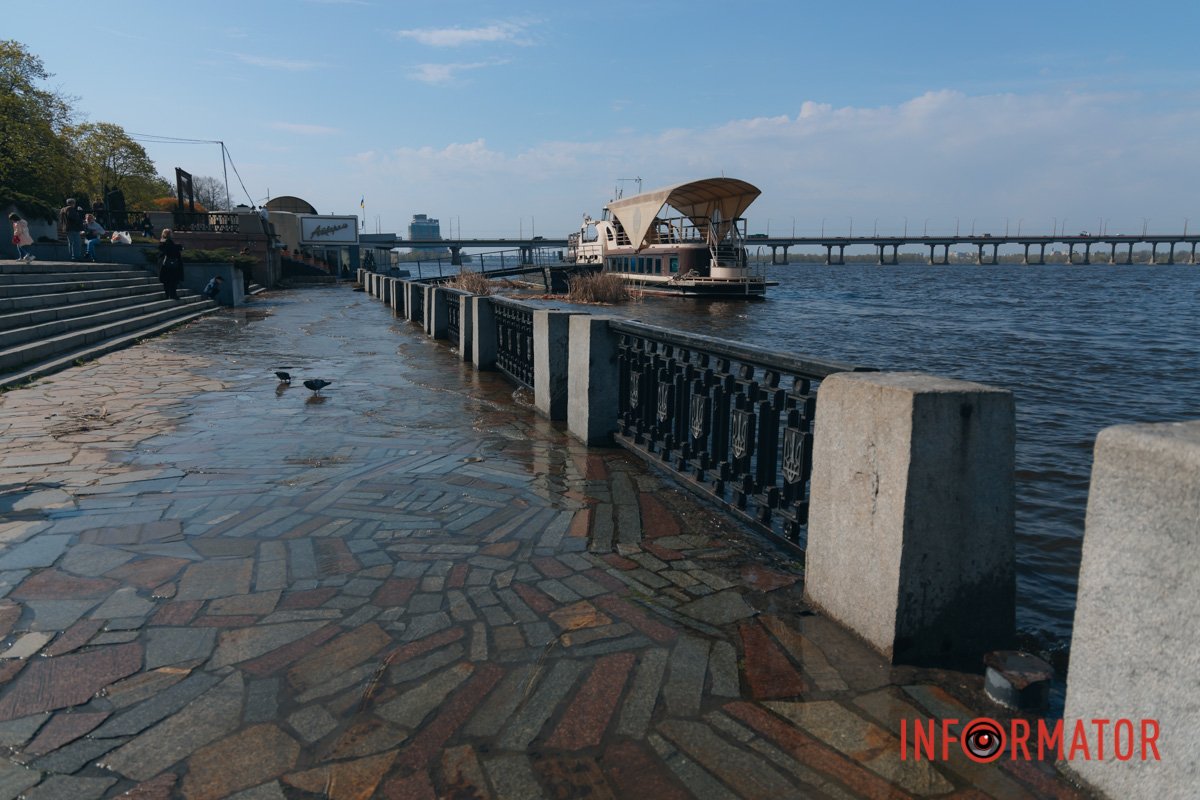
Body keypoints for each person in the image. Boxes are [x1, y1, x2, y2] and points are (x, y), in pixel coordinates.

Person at [157, 228, 184, 300]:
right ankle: (172, 295)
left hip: (167, 265)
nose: (171, 234)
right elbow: (170, 249)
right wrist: (178, 247)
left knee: (168, 281)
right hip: (169, 264)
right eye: (170, 233)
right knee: (172, 280)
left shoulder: (164, 241)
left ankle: (169, 295)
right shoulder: (165, 241)